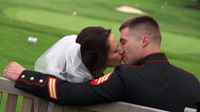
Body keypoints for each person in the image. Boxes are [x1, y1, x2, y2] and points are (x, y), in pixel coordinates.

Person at [3, 15, 200, 112]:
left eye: (123, 42)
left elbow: (69, 93)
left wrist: (25, 76)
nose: (121, 49)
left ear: (144, 41)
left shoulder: (127, 77)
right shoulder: (193, 82)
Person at [34, 26, 123, 82]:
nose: (121, 51)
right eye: (116, 50)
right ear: (99, 59)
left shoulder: (51, 78)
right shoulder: (94, 87)